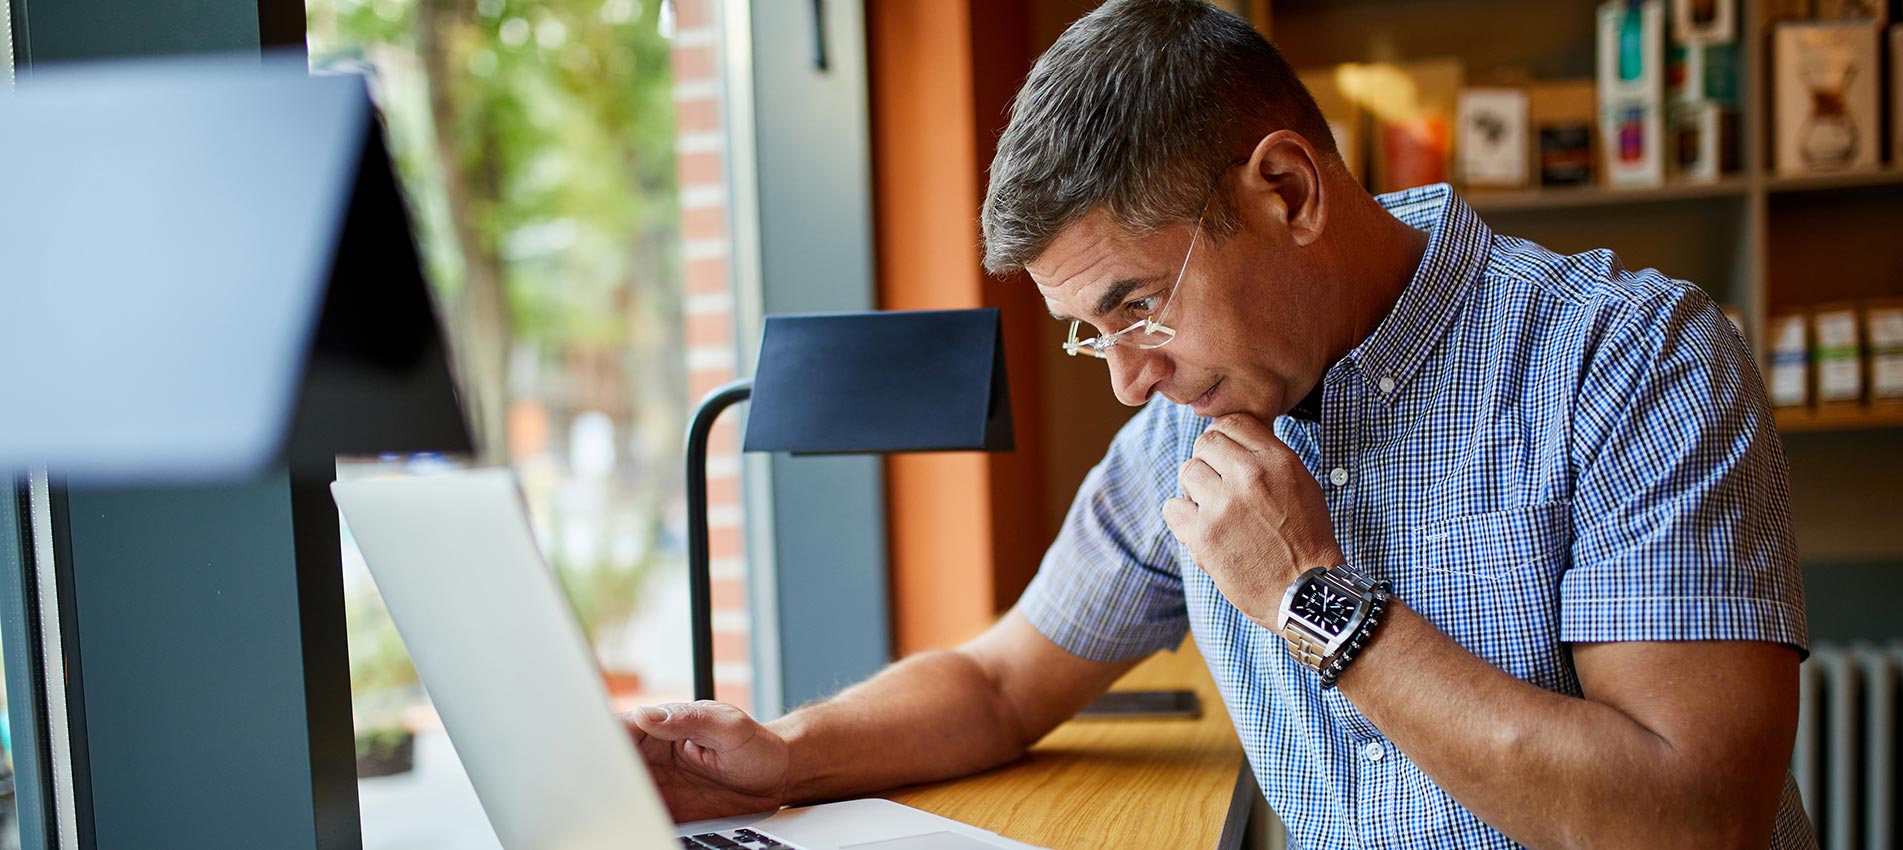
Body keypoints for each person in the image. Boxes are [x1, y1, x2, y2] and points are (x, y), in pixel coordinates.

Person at [625, 1, 1814, 846]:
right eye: (1089, 331)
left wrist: (1314, 603)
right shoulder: (1181, 430)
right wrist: (783, 752)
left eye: (1136, 304)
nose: (1128, 380)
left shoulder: (1633, 361)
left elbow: (1692, 820)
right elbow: (997, 685)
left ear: (1286, 191)